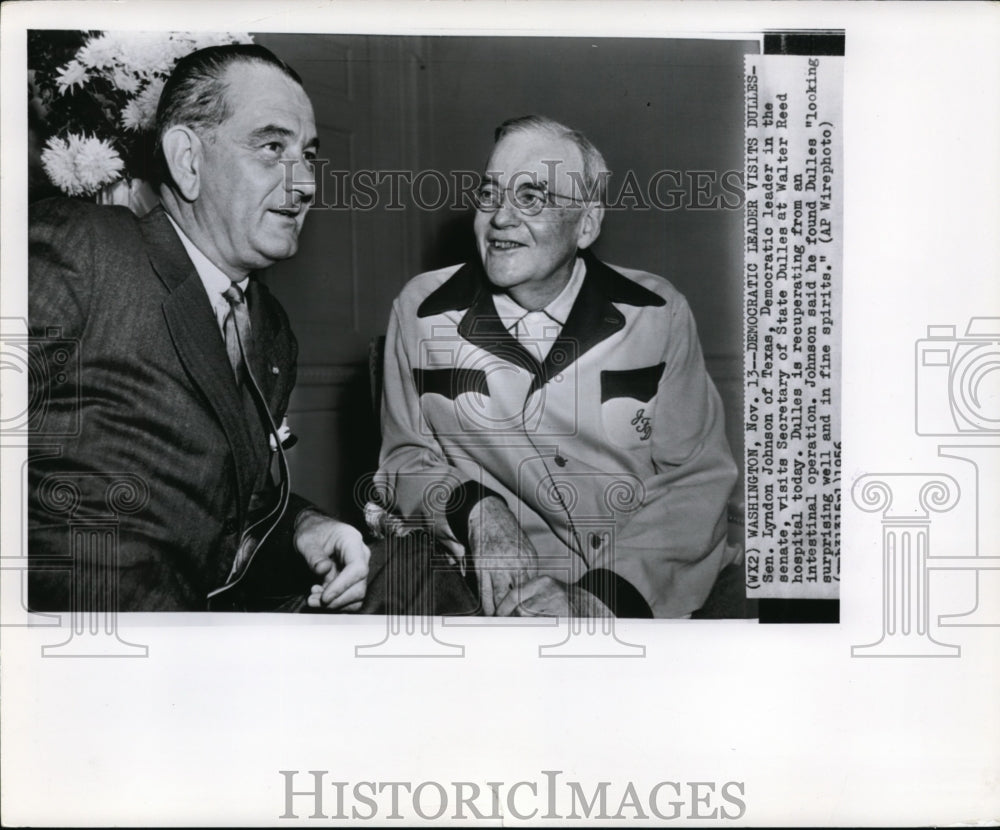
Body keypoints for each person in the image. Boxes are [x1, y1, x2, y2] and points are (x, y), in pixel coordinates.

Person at [28, 44, 369, 612]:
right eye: (271, 147)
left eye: (309, 155)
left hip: (211, 640)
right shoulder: (83, 248)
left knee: (420, 580)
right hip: (86, 644)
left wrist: (304, 526)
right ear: (188, 160)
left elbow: (234, 495)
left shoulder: (272, 329)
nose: (306, 182)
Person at [375, 115, 739, 618]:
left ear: (586, 224)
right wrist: (476, 509)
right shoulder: (420, 310)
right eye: (490, 193)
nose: (500, 218)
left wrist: (600, 598)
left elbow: (696, 481)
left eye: (531, 198)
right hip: (505, 595)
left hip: (651, 587)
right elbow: (403, 461)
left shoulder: (657, 312)